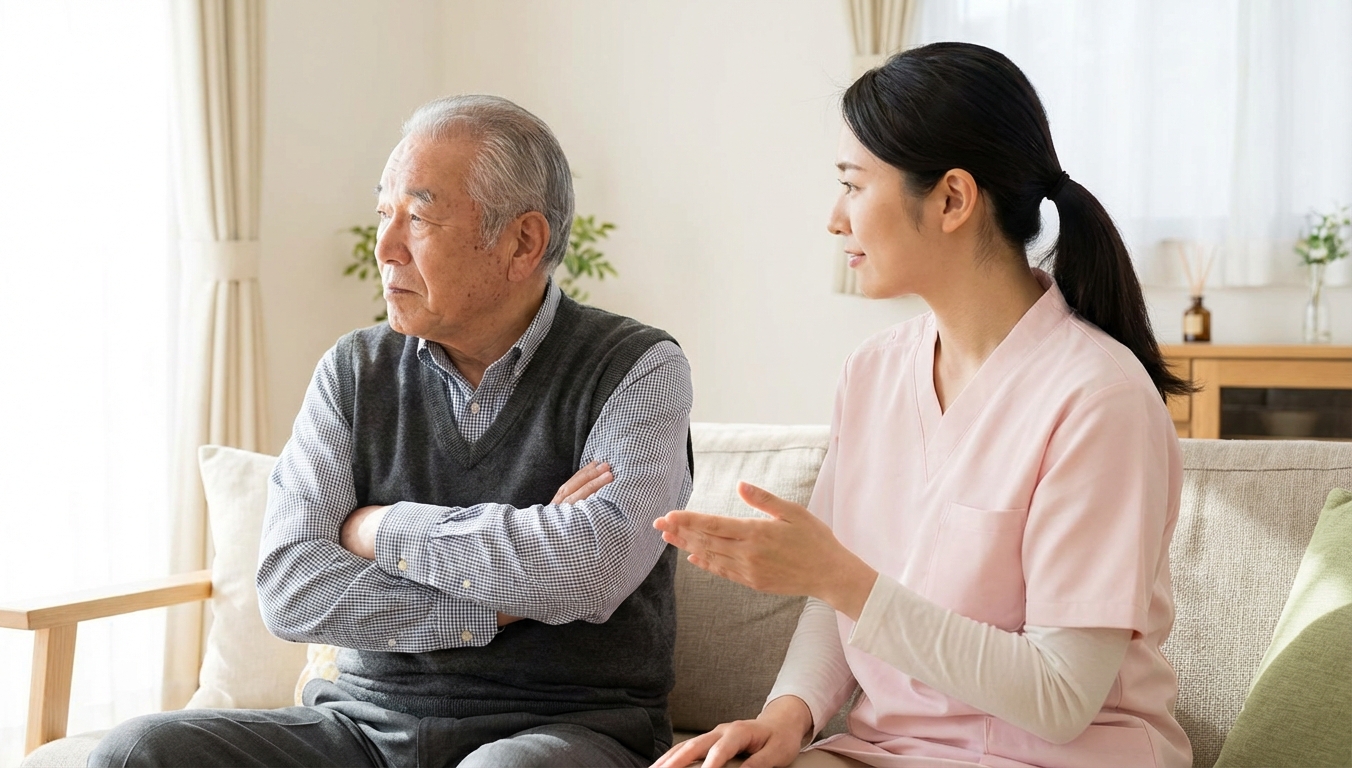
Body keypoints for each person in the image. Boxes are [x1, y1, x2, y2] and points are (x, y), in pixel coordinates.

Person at [89, 95, 693, 768]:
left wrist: (378, 530)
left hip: (566, 730)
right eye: (385, 215)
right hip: (361, 726)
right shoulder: (353, 369)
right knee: (136, 751)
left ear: (522, 242)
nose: (385, 247)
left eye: (420, 217)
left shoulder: (638, 369)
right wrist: (500, 606)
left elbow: (591, 571)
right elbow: (292, 588)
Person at [653, 43, 1194, 768]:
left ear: (951, 199)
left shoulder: (1100, 400)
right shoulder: (873, 372)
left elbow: (1062, 697)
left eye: (853, 185)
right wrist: (790, 715)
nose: (834, 219)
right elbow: (839, 602)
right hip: (889, 751)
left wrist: (834, 575)